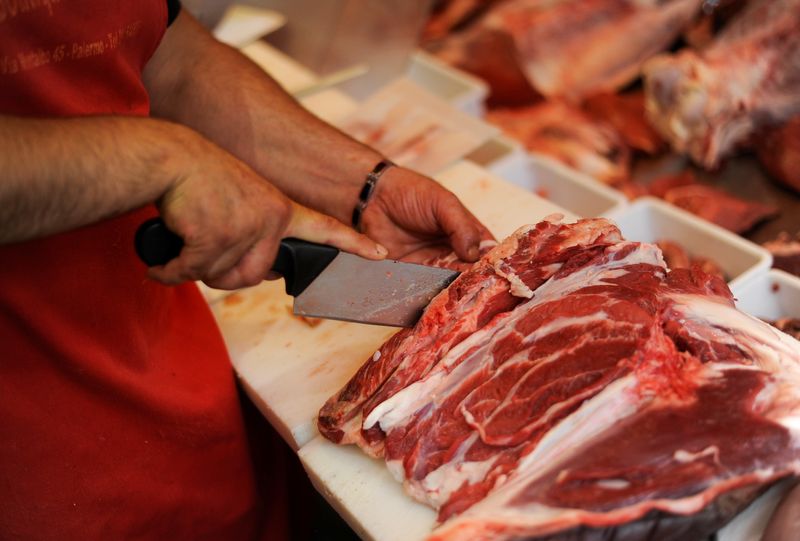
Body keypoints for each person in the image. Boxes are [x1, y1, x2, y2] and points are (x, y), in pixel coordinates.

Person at [0, 2, 491, 539]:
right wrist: (167, 161)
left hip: (170, 367)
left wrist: (363, 186)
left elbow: (167, 55)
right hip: (40, 452)